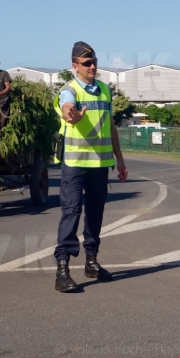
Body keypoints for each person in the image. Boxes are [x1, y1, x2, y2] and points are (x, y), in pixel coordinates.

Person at [52, 41, 128, 293]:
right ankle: (62, 269)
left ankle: (91, 261)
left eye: (94, 62)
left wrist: (120, 160)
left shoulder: (105, 90)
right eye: (87, 63)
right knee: (71, 212)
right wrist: (71, 114)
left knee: (95, 214)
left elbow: (111, 127)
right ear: (75, 66)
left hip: (100, 165)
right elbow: (67, 108)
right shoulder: (69, 89)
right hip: (75, 165)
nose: (92, 66)